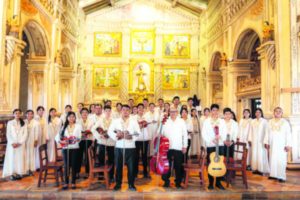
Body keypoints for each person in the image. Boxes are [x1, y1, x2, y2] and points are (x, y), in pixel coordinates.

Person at [108, 104, 141, 191]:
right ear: (121, 111)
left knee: (131, 167)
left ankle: (131, 184)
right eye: (123, 110)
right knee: (118, 166)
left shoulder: (134, 121)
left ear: (129, 111)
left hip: (130, 147)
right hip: (119, 146)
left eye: (127, 110)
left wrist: (131, 137)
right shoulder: (116, 121)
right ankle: (118, 184)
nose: (125, 111)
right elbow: (109, 131)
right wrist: (116, 135)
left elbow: (138, 133)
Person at [161, 106, 188, 189]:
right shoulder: (165, 121)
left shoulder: (181, 121)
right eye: (171, 111)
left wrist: (185, 146)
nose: (173, 113)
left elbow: (185, 135)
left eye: (174, 111)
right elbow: (161, 133)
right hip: (167, 147)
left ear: (177, 112)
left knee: (178, 165)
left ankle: (178, 182)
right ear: (169, 112)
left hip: (178, 146)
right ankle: (166, 181)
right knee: (166, 165)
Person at [202, 104, 227, 190]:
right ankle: (211, 183)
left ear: (218, 111)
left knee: (220, 163)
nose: (215, 112)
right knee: (211, 163)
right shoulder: (207, 121)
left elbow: (224, 132)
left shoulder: (222, 121)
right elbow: (204, 133)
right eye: (213, 110)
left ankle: (218, 182)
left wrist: (220, 137)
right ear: (211, 111)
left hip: (220, 145)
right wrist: (211, 140)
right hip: (211, 145)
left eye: (216, 110)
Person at [264, 107, 292, 182]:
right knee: (272, 159)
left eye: (279, 111)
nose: (278, 112)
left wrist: (288, 145)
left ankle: (281, 176)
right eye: (276, 111)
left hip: (281, 145)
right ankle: (273, 175)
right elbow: (267, 132)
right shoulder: (270, 122)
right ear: (274, 113)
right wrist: (266, 142)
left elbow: (288, 134)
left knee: (281, 160)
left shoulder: (285, 122)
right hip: (272, 144)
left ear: (282, 113)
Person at [55, 112, 82, 190]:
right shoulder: (64, 127)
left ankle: (73, 182)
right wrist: (61, 142)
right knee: (66, 166)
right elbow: (57, 137)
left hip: (75, 148)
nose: (71, 118)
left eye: (73, 117)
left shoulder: (78, 126)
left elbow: (79, 137)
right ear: (67, 118)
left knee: (74, 165)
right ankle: (66, 182)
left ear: (75, 118)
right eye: (70, 117)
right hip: (66, 149)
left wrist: (76, 139)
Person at [91, 105, 115, 183]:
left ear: (111, 112)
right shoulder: (100, 120)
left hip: (111, 142)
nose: (108, 112)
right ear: (104, 112)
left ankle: (111, 176)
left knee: (112, 159)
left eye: (109, 111)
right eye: (106, 111)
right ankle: (101, 176)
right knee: (101, 158)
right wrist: (99, 136)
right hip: (102, 142)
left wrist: (112, 135)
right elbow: (93, 129)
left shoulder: (114, 120)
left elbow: (117, 130)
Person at [2, 109, 28, 180]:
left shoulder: (23, 123)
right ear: (13, 114)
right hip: (12, 145)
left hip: (20, 144)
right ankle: (12, 173)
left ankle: (19, 173)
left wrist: (20, 142)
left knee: (19, 159)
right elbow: (8, 134)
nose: (17, 115)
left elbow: (25, 134)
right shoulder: (10, 123)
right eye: (16, 113)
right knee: (12, 158)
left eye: (19, 113)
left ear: (21, 114)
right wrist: (12, 143)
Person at [248, 108, 270, 175]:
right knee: (254, 154)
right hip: (254, 140)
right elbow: (250, 131)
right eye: (256, 112)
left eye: (259, 112)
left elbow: (267, 132)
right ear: (255, 114)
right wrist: (250, 139)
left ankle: (262, 169)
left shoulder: (264, 121)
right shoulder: (252, 121)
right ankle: (255, 169)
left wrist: (266, 141)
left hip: (261, 141)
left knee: (261, 154)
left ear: (261, 113)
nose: (257, 113)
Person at [134, 104, 151, 178]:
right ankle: (135, 172)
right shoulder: (133, 117)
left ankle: (145, 172)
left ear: (144, 109)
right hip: (137, 139)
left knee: (144, 156)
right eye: (139, 108)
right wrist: (139, 126)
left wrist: (145, 123)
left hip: (145, 139)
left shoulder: (147, 117)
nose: (140, 110)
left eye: (142, 108)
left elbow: (149, 127)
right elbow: (133, 128)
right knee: (136, 156)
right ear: (137, 109)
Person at [77, 107, 94, 178]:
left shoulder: (91, 121)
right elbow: (76, 130)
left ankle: (88, 171)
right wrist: (81, 134)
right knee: (79, 156)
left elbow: (92, 129)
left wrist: (89, 132)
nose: (84, 114)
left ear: (88, 114)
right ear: (80, 114)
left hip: (88, 139)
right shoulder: (78, 121)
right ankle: (77, 172)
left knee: (88, 156)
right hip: (80, 140)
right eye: (83, 112)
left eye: (86, 112)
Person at [24, 110, 39, 176]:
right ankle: (25, 169)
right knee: (25, 155)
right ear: (26, 114)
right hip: (24, 140)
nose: (30, 115)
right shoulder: (24, 122)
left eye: (31, 114)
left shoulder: (36, 122)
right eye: (28, 114)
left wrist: (36, 140)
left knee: (31, 154)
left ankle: (30, 169)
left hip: (32, 140)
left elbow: (37, 132)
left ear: (33, 115)